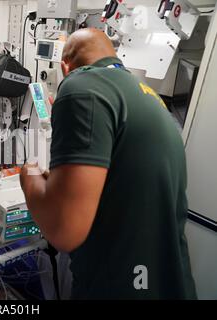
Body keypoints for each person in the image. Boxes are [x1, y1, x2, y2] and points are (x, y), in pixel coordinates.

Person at [19, 28, 196, 299]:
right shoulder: (152, 100)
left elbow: (64, 230)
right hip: (170, 283)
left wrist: (28, 175)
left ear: (65, 67)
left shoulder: (81, 88)